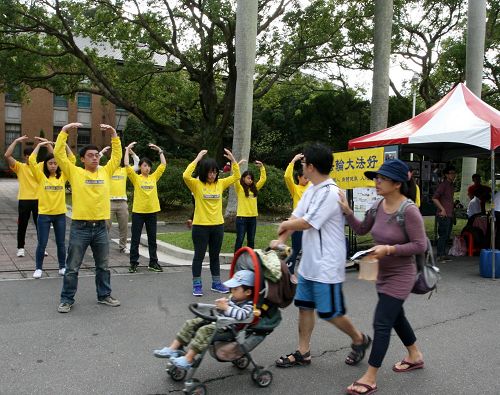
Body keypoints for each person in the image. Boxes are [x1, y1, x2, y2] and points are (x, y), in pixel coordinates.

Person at [271, 143, 371, 370]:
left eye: (304, 163)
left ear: (312, 167)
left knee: (330, 312)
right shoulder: (311, 190)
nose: (302, 166)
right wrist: (280, 243)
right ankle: (303, 352)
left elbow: (306, 222)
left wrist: (285, 225)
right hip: (309, 264)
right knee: (305, 306)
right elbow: (295, 217)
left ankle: (359, 339)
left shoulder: (331, 193)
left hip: (327, 265)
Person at [338, 159, 427, 395]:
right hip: (382, 274)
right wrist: (347, 212)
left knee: (382, 322)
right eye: (376, 177)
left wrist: (389, 249)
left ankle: (370, 377)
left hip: (401, 274)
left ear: (397, 183)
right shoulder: (377, 206)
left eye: (382, 178)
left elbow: (420, 245)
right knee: (396, 317)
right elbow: (361, 229)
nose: (376, 182)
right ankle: (415, 355)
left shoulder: (409, 211)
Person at [55, 122, 122, 313]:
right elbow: (59, 155)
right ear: (82, 159)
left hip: (101, 227)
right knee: (72, 267)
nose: (94, 158)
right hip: (80, 227)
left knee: (103, 266)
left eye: (96, 155)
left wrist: (114, 135)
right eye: (90, 156)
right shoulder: (75, 172)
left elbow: (116, 157)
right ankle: (66, 299)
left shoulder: (105, 171)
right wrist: (64, 132)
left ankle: (104, 295)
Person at [152, 269, 255, 369]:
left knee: (203, 331)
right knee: (191, 323)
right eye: (232, 288)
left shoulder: (249, 305)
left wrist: (226, 308)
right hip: (218, 321)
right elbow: (224, 311)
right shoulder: (233, 298)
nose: (232, 291)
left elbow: (242, 315)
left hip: (228, 329)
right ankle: (173, 348)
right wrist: (220, 307)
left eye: (235, 289)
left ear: (248, 292)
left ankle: (188, 359)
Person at [183, 149, 240, 296]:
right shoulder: (196, 184)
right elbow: (185, 175)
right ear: (204, 172)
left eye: (215, 172)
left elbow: (236, 176)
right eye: (209, 172)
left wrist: (233, 160)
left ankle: (216, 283)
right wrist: (197, 159)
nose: (212, 175)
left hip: (217, 226)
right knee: (199, 256)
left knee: (215, 256)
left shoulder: (220, 184)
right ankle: (197, 285)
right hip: (200, 226)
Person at [29, 140, 74, 278]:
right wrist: (38, 146)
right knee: (42, 243)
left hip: (60, 215)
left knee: (61, 243)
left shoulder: (63, 176)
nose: (53, 166)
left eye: (55, 163)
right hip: (44, 215)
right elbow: (31, 160)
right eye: (50, 163)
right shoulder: (41, 176)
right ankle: (38, 268)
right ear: (45, 164)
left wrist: (65, 145)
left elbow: (72, 159)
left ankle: (62, 266)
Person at [125, 141, 166, 273]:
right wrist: (127, 150)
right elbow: (126, 165)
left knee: (152, 239)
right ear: (140, 167)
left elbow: (163, 165)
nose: (147, 168)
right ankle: (133, 263)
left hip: (152, 212)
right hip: (138, 212)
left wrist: (159, 150)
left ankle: (153, 262)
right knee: (135, 239)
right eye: (144, 166)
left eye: (148, 166)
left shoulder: (153, 177)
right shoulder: (136, 178)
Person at [99, 145, 140, 254]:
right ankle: (103, 246)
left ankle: (123, 246)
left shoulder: (124, 170)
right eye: (114, 159)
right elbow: (94, 163)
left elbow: (138, 164)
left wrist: (131, 153)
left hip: (122, 203)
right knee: (106, 226)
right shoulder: (106, 170)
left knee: (124, 226)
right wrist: (101, 152)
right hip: (109, 202)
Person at [4, 135, 40, 257]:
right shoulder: (20, 167)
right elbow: (7, 156)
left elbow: (55, 158)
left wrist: (47, 144)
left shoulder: (40, 167)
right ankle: (20, 248)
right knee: (22, 225)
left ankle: (42, 247)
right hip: (24, 200)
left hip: (39, 200)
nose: (31, 158)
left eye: (33, 156)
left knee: (40, 225)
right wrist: (16, 141)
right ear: (25, 157)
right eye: (29, 156)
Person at [283, 153, 311, 280]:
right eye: (304, 177)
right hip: (297, 223)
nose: (307, 179)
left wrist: (307, 163)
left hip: (309, 222)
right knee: (296, 248)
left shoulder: (311, 187)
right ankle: (290, 272)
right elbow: (287, 176)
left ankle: (307, 273)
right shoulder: (295, 188)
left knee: (309, 248)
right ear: (299, 177)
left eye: (308, 177)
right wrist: (293, 160)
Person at [233, 161, 267, 251]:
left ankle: (250, 259)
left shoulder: (254, 188)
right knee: (240, 240)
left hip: (252, 218)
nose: (250, 180)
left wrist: (262, 167)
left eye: (251, 179)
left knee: (251, 240)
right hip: (241, 218)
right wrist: (237, 166)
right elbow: (235, 178)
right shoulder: (239, 188)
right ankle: (236, 259)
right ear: (243, 178)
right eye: (248, 178)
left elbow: (263, 179)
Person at [432, 165, 457, 263]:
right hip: (443, 214)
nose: (454, 175)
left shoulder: (451, 185)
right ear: (447, 175)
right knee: (442, 235)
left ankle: (443, 253)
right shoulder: (444, 185)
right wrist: (442, 209)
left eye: (454, 173)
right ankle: (439, 255)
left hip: (450, 214)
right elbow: (434, 198)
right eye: (451, 173)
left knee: (447, 235)